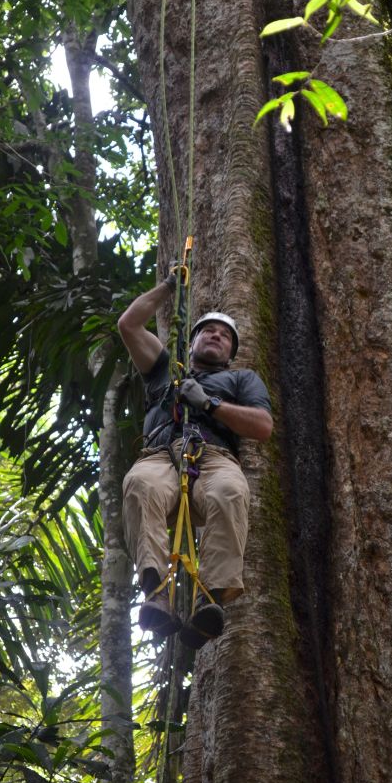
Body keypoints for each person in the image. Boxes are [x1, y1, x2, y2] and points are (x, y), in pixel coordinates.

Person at [118, 271, 273, 648]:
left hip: (214, 457)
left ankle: (211, 598)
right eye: (208, 331)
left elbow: (263, 426)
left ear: (231, 353)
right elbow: (129, 324)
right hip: (160, 455)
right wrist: (171, 287)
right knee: (139, 485)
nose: (216, 336)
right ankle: (155, 591)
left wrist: (209, 403)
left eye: (225, 335)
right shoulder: (164, 369)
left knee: (231, 492)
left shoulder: (241, 380)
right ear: (192, 342)